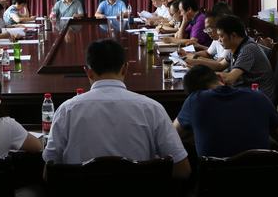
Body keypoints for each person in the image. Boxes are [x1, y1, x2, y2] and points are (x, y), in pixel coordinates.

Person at [43, 39, 191, 180]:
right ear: (125, 69)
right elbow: (183, 170)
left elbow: (48, 173)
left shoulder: (67, 110)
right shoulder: (152, 109)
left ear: (88, 72)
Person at [174, 65, 278, 157]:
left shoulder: (195, 100)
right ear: (220, 78)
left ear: (193, 93)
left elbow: (173, 135)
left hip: (212, 179)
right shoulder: (258, 96)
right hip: (258, 177)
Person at [215, 15, 275, 101]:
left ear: (233, 35)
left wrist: (206, 76)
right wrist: (197, 62)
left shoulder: (248, 49)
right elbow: (220, 65)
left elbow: (230, 78)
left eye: (221, 36)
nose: (219, 40)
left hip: (260, 99)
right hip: (247, 92)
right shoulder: (238, 45)